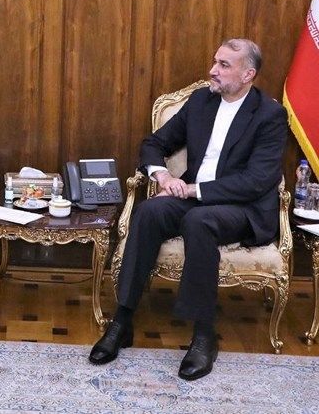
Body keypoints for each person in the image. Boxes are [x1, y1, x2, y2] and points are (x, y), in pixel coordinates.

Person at [89, 38, 287, 380]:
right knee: (149, 212)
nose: (213, 70)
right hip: (193, 198)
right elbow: (154, 143)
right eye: (215, 61)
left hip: (241, 208)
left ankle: (204, 335)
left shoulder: (269, 115)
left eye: (224, 65)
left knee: (199, 220)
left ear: (248, 75)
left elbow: (256, 181)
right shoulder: (200, 101)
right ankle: (122, 320)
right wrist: (164, 176)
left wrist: (195, 189)